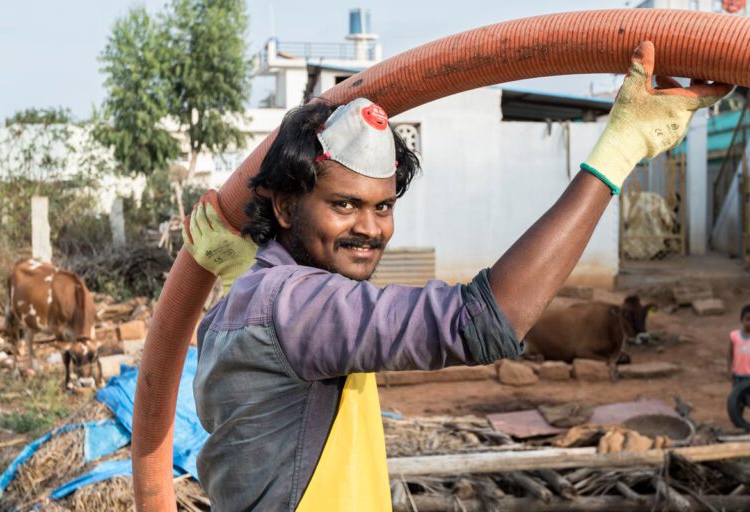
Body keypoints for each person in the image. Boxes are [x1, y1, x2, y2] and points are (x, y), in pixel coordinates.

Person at [183, 41, 731, 511]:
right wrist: (622, 148)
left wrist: (234, 265)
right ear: (283, 206)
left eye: (383, 206)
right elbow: (485, 321)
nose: (370, 229)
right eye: (344, 204)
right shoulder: (300, 307)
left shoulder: (254, 299)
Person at [728, 304, 750, 386]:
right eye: (747, 319)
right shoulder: (734, 336)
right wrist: (729, 370)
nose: (749, 322)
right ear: (741, 320)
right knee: (737, 397)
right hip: (738, 375)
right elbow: (730, 354)